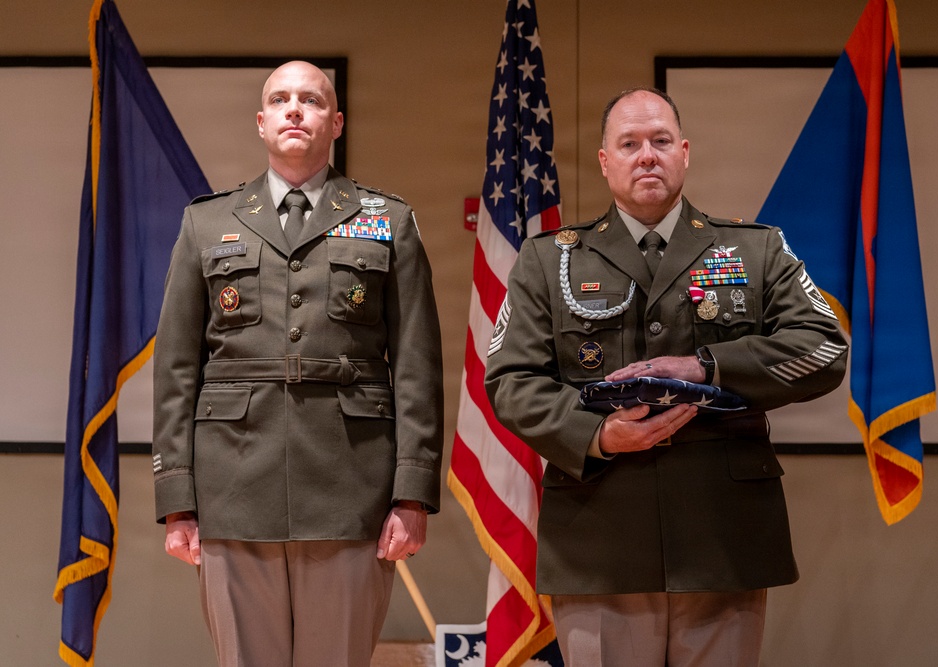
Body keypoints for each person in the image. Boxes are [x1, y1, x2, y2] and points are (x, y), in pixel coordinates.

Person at [484, 87, 848, 666]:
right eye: (629, 144)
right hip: (601, 537)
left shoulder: (755, 250)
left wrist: (706, 366)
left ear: (684, 152)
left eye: (659, 141)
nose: (646, 155)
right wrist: (597, 436)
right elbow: (509, 381)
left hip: (723, 539)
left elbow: (824, 347)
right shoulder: (547, 259)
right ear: (605, 161)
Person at [152, 60, 444, 667]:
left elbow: (416, 365)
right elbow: (177, 368)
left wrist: (411, 495)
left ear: (335, 121)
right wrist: (177, 498)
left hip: (351, 491)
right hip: (234, 488)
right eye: (280, 100)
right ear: (261, 123)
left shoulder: (388, 221)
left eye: (309, 100)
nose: (293, 109)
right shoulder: (208, 222)